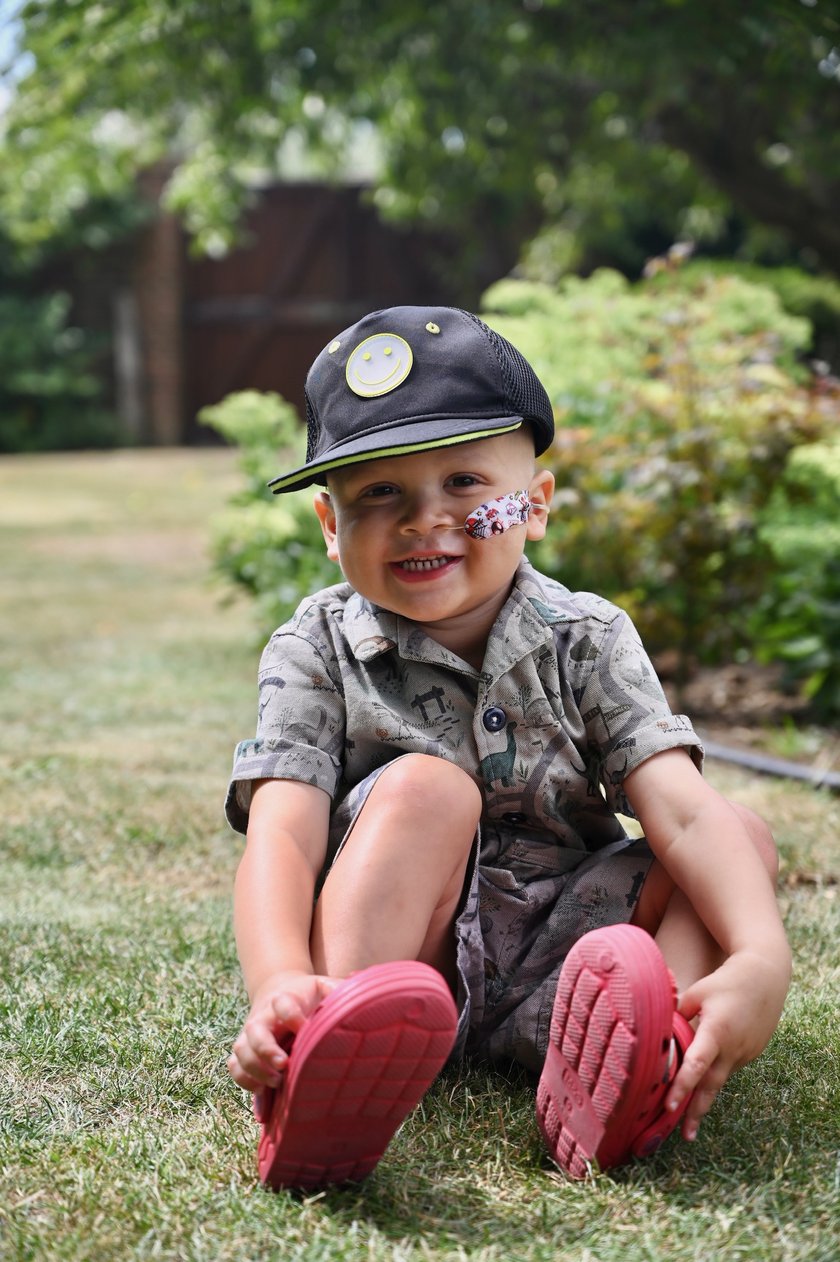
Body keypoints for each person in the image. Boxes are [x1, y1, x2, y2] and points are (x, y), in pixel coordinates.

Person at [225, 305, 791, 1188]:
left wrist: (761, 956)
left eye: (463, 482)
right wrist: (282, 986)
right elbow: (284, 834)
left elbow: (679, 807)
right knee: (426, 788)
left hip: (564, 965)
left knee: (737, 839)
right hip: (407, 972)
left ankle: (640, 1056)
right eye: (379, 493)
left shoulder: (589, 637)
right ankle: (332, 1051)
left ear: (533, 505)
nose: (424, 520)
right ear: (330, 527)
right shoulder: (315, 648)